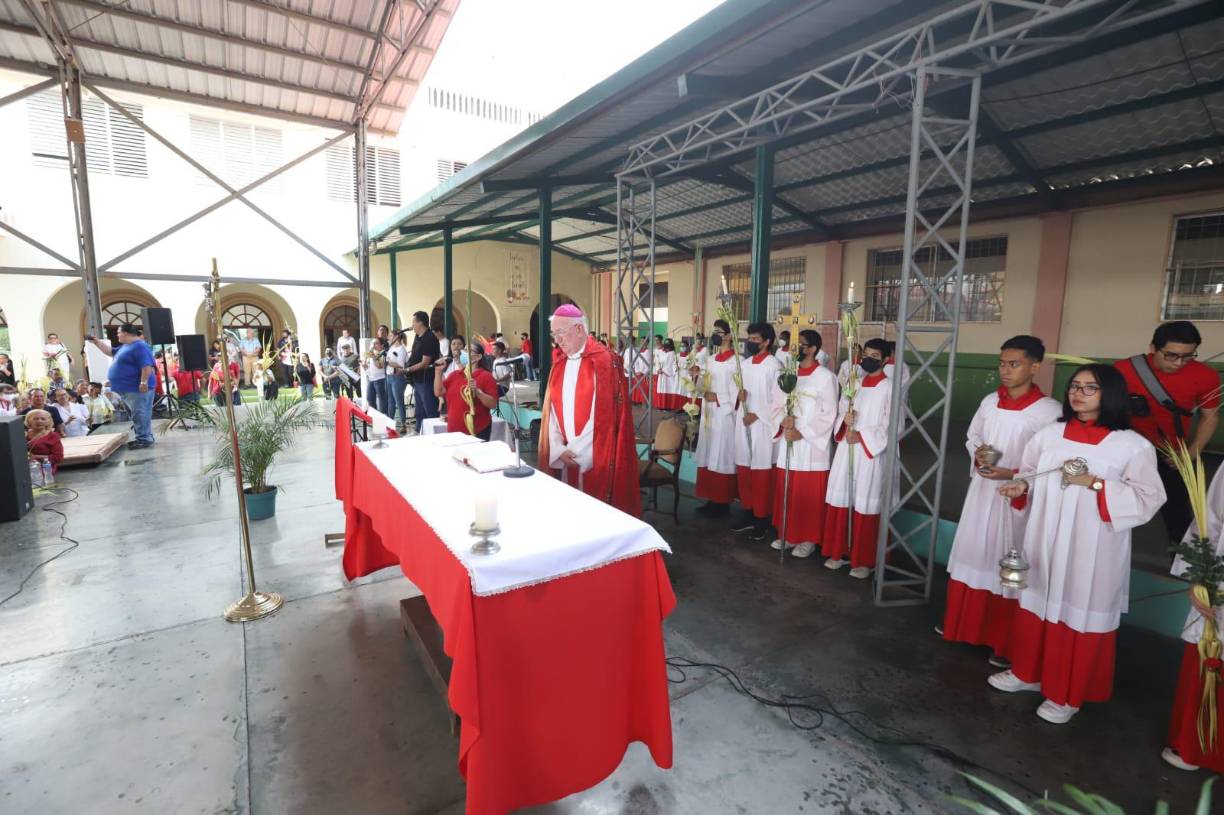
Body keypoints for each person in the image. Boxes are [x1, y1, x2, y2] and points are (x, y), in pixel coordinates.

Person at [991, 365, 1165, 724]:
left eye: (1090, 388)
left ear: (1111, 395)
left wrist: (1096, 484)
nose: (1078, 393)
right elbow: (1030, 473)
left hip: (1093, 544)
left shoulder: (1131, 446)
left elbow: (1149, 498)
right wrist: (1021, 487)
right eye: (1074, 386)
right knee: (1037, 599)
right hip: (1044, 534)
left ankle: (1066, 693)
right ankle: (1027, 672)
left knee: (1077, 608)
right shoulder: (1049, 435)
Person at [941, 336, 1062, 663]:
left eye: (1014, 364)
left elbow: (1053, 461)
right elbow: (973, 436)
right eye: (1002, 363)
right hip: (982, 492)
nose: (1005, 371)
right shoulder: (990, 401)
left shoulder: (1049, 412)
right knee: (974, 552)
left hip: (1015, 498)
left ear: (1035, 367)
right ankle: (963, 625)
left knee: (1006, 560)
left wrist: (1012, 474)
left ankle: (1004, 640)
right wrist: (977, 453)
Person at [1115, 321, 1221, 544]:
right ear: (1153, 348)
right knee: (1116, 506)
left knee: (1179, 514)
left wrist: (1191, 453)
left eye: (1188, 356)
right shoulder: (1122, 370)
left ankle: (1181, 564)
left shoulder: (1206, 376)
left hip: (1172, 454)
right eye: (1171, 355)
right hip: (1124, 453)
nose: (1179, 363)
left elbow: (1209, 416)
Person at [538, 304, 639, 516]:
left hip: (592, 456)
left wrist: (576, 452)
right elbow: (552, 415)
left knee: (593, 513)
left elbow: (605, 416)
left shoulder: (604, 361)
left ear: (579, 329)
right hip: (565, 454)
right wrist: (558, 448)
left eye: (561, 333)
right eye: (553, 334)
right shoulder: (560, 364)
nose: (557, 340)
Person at [1162, 464, 1224, 773]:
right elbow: (1209, 520)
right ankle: (1196, 744)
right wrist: (1199, 575)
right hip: (1219, 589)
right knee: (1210, 655)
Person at [822, 337, 894, 578]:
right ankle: (840, 551)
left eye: (875, 357)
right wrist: (845, 421)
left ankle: (864, 560)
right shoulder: (856, 383)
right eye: (866, 354)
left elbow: (895, 425)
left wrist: (862, 436)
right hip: (847, 449)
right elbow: (842, 409)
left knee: (866, 502)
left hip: (869, 454)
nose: (868, 360)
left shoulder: (890, 388)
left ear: (886, 360)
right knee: (843, 498)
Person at [771, 329, 838, 558]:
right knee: (790, 489)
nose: (795, 348)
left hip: (810, 446)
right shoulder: (788, 375)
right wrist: (783, 420)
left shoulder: (826, 378)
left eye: (800, 345)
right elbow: (776, 404)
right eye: (793, 344)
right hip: (789, 440)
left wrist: (803, 432)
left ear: (812, 349)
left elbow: (829, 414)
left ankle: (808, 538)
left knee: (808, 493)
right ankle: (788, 533)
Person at [727, 323, 785, 540]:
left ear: (767, 341)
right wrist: (738, 397)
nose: (750, 342)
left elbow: (780, 400)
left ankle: (763, 518)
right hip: (744, 423)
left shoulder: (774, 366)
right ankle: (748, 512)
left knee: (761, 472)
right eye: (749, 338)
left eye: (755, 338)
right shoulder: (745, 364)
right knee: (744, 468)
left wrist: (758, 414)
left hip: (762, 426)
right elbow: (735, 389)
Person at [694, 320, 738, 515]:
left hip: (724, 414)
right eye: (715, 331)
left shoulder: (737, 362)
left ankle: (723, 502)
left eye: (719, 332)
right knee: (709, 451)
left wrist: (718, 398)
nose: (716, 335)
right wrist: (696, 378)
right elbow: (704, 384)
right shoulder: (710, 359)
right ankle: (711, 499)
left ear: (729, 336)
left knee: (721, 454)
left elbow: (739, 391)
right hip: (709, 412)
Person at [86, 326, 156, 449]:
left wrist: (143, 382)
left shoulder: (140, 346)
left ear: (126, 333)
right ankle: (143, 436)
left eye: (118, 332)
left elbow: (147, 366)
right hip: (127, 388)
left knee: (140, 413)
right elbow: (110, 352)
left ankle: (144, 439)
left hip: (136, 388)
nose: (117, 335)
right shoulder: (126, 346)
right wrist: (97, 342)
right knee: (136, 414)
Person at [434, 340, 499, 440]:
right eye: (464, 349)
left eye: (468, 350)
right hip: (454, 431)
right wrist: (438, 372)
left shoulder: (486, 376)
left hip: (477, 430)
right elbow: (438, 392)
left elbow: (493, 404)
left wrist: (478, 392)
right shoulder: (455, 375)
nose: (463, 352)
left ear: (478, 357)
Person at [405, 310, 441, 431]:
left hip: (426, 381)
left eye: (413, 322)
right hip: (417, 380)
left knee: (430, 411)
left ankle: (434, 437)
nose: (412, 325)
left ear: (420, 323)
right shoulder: (418, 337)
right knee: (419, 412)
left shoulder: (429, 338)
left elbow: (425, 363)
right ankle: (419, 433)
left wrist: (407, 369)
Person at [384, 329, 410, 432]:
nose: (388, 338)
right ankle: (390, 423)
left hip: (397, 377)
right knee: (390, 402)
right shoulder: (391, 348)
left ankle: (403, 424)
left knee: (399, 402)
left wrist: (388, 363)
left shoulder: (402, 349)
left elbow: (401, 365)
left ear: (397, 337)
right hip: (389, 376)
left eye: (390, 336)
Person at [25, 409, 63, 474]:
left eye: (43, 419)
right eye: (35, 419)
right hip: (24, 468)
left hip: (44, 471)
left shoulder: (53, 436)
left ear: (48, 422)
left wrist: (35, 457)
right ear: (29, 420)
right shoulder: (22, 434)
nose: (39, 421)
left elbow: (58, 457)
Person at [364, 338, 387, 414]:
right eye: (372, 343)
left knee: (382, 400)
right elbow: (367, 366)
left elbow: (379, 366)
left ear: (381, 345)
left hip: (380, 379)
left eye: (376, 343)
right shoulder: (371, 354)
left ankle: (383, 417)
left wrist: (373, 356)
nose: (373, 345)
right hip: (371, 379)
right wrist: (364, 365)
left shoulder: (382, 354)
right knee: (370, 398)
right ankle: (374, 416)